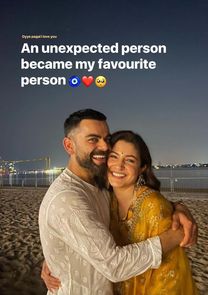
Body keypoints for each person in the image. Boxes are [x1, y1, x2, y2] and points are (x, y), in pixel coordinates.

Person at [39, 109, 197, 294]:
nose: (105, 147)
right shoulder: (68, 199)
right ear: (69, 146)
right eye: (93, 139)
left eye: (106, 139)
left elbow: (138, 199)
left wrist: (178, 207)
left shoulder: (100, 186)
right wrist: (174, 237)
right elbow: (114, 265)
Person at [108, 130, 198, 294]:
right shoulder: (105, 199)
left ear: (142, 168)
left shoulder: (155, 206)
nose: (119, 165)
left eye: (129, 160)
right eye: (113, 156)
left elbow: (169, 277)